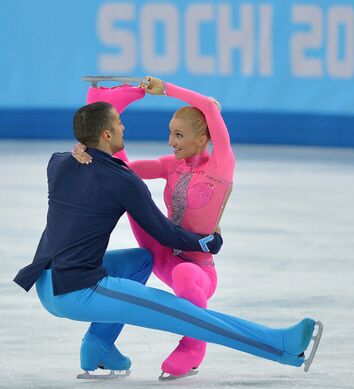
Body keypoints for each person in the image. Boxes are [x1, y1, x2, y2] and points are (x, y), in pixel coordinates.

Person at [14, 100, 322, 380]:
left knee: (141, 261)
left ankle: (98, 348)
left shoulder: (58, 162)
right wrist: (204, 243)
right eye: (118, 123)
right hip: (77, 290)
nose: (124, 126)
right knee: (186, 315)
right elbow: (163, 232)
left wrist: (81, 144)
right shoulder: (124, 181)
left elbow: (83, 150)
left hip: (46, 281)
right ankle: (280, 345)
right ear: (106, 135)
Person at [73, 76, 235, 378]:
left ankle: (192, 347)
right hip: (163, 253)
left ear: (202, 139)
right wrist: (90, 154)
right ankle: (105, 106)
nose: (171, 141)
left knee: (185, 273)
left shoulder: (221, 165)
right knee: (128, 190)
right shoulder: (171, 164)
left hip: (197, 268)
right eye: (170, 133)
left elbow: (210, 106)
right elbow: (124, 172)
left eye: (178, 135)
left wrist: (168, 89)